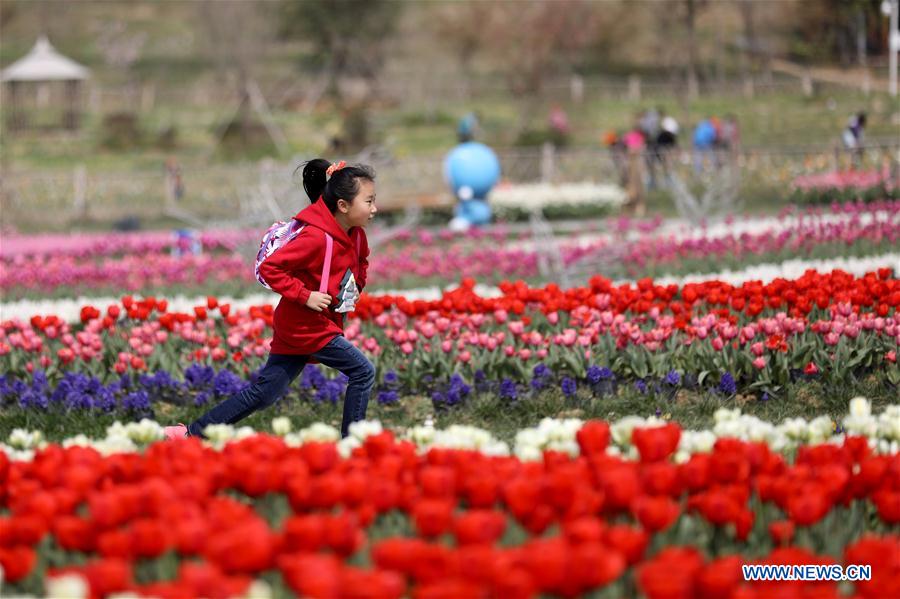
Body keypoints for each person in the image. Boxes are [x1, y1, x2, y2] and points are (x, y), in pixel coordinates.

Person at [164, 159, 378, 440]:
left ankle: (191, 433)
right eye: (369, 201)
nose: (375, 209)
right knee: (363, 371)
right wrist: (306, 295)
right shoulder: (315, 237)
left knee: (264, 393)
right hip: (307, 326)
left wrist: (355, 287)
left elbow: (361, 262)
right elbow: (270, 268)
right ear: (343, 206)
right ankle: (353, 444)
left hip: (308, 324)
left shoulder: (356, 236)